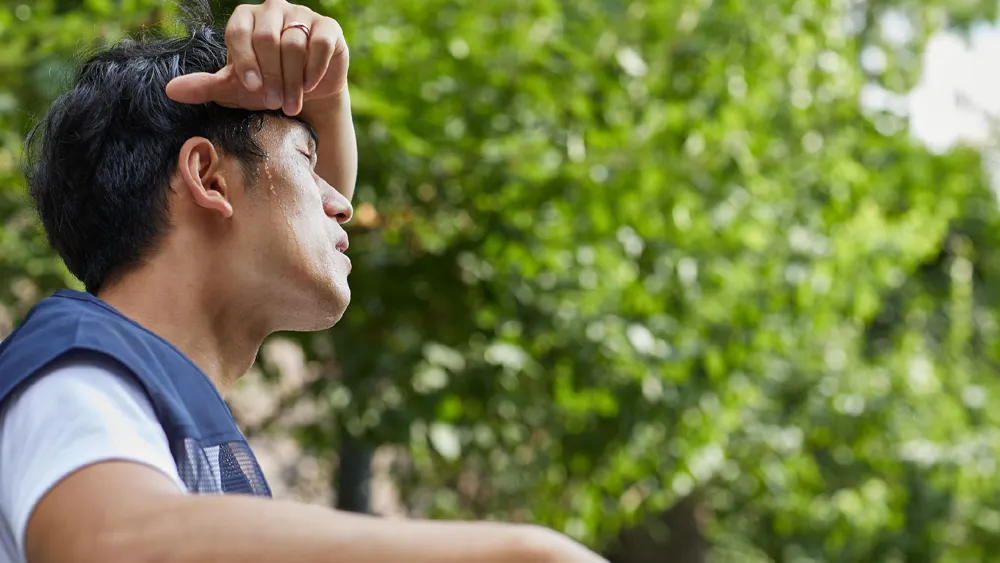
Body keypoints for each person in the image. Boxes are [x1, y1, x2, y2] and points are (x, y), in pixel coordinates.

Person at [0, 1, 608, 562]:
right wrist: (522, 553)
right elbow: (107, 542)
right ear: (208, 178)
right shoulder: (76, 357)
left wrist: (327, 96)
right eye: (306, 162)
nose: (342, 205)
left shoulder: (157, 403)